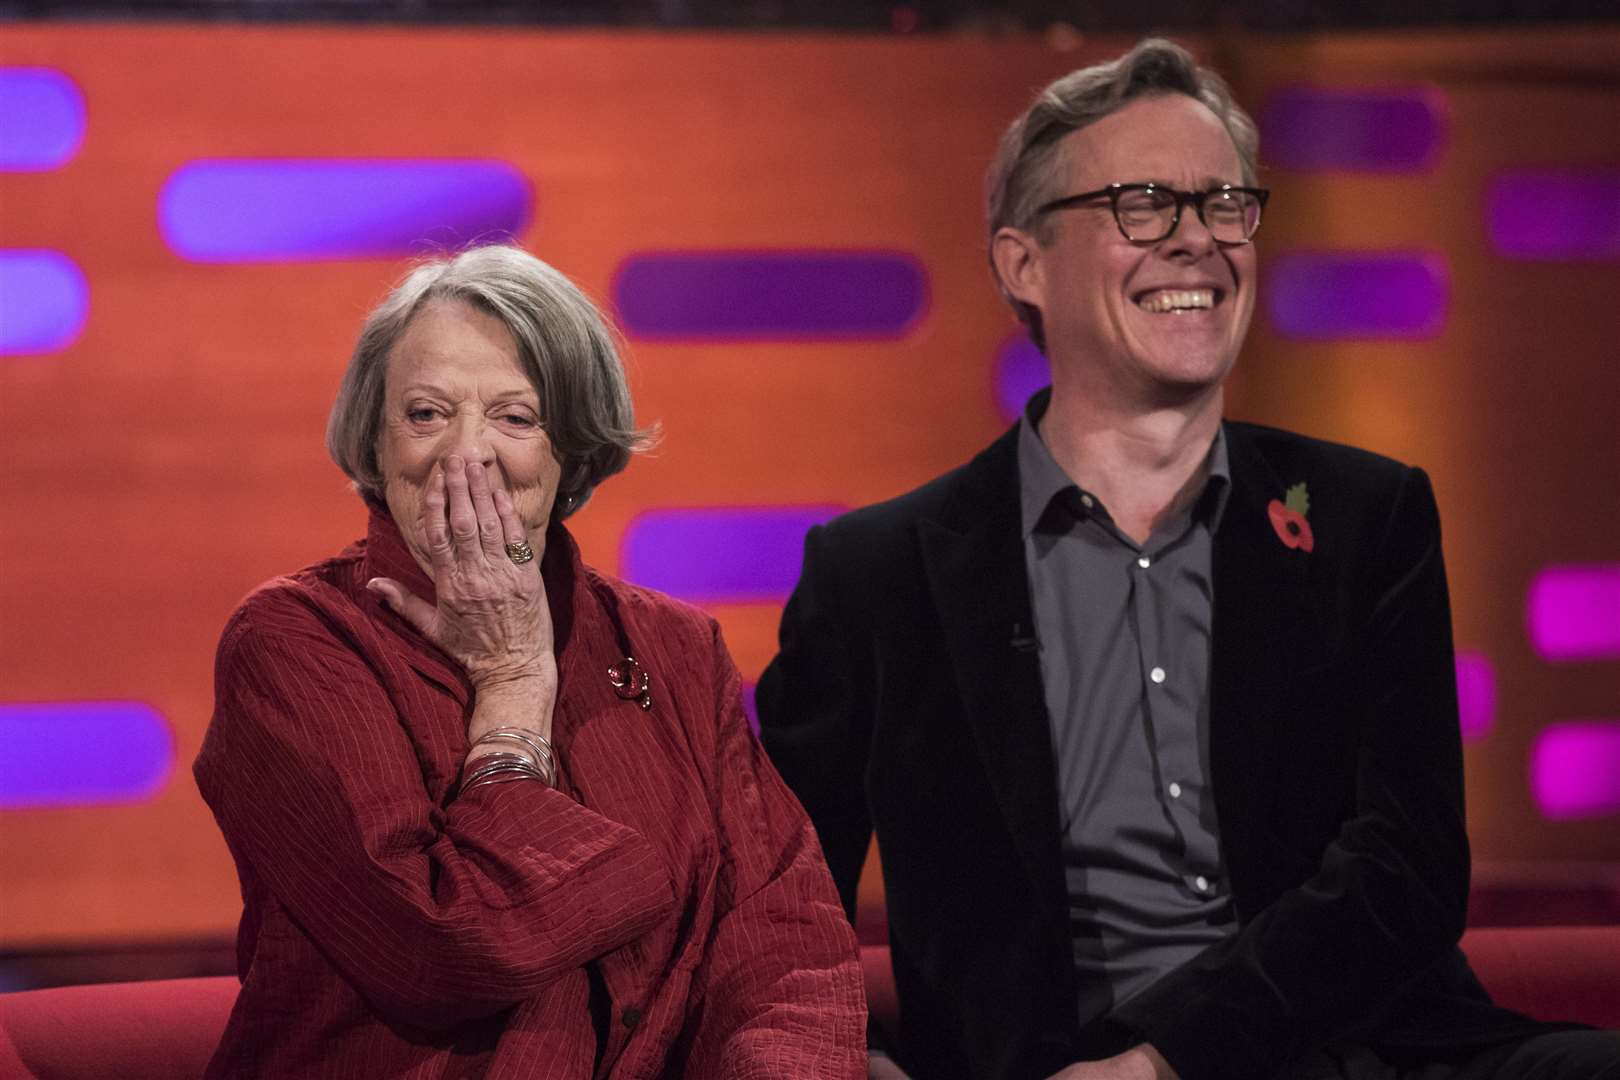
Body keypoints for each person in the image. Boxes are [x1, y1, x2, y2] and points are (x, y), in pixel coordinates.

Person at [757, 38, 1619, 1080]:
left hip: (1368, 1052)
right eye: (1143, 204)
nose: (1198, 241)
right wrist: (855, 1062)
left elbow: (1409, 867)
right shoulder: (879, 575)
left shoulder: (1363, 516)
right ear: (1021, 261)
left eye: (1223, 204)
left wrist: (1170, 1058)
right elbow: (774, 912)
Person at [195, 244, 865, 1079]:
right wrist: (512, 684)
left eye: (515, 417)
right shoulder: (295, 643)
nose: (466, 454)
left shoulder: (677, 648)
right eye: (426, 414)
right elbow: (443, 950)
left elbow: (782, 944)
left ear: (573, 455)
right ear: (373, 445)